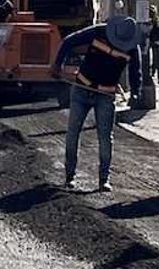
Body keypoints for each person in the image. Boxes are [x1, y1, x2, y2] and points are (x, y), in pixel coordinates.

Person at [51, 16, 143, 192]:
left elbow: (135, 71)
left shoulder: (132, 47)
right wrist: (58, 65)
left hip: (106, 95)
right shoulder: (98, 31)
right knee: (73, 132)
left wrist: (136, 93)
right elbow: (69, 41)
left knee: (105, 138)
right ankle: (69, 177)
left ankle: (104, 180)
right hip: (81, 88)